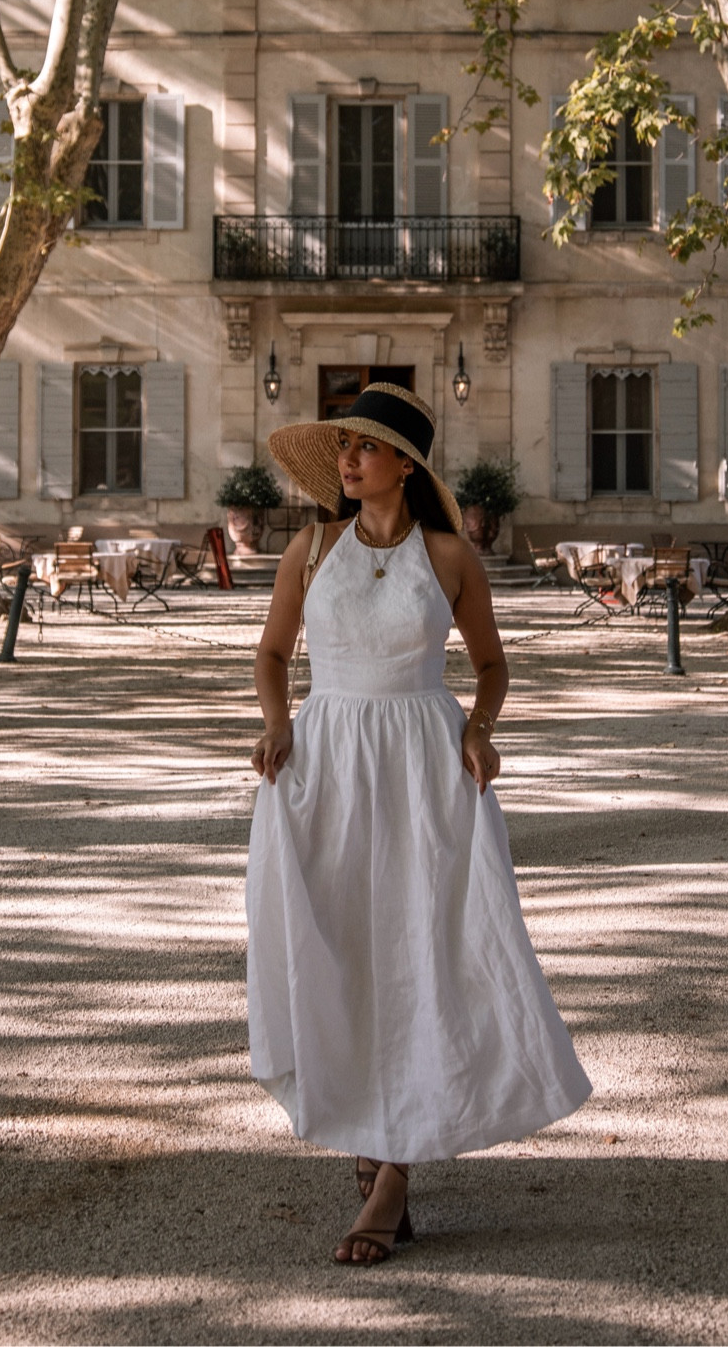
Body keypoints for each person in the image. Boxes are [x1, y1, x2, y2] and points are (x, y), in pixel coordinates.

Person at [246, 384, 591, 1266]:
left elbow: (490, 666)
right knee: (342, 951)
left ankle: (391, 1166)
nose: (349, 461)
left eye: (365, 447)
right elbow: (273, 652)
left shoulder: (448, 556)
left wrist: (479, 731)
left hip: (424, 769)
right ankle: (369, 1128)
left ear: (406, 463)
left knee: (419, 953)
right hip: (325, 766)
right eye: (344, 449)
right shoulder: (311, 545)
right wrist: (278, 722)